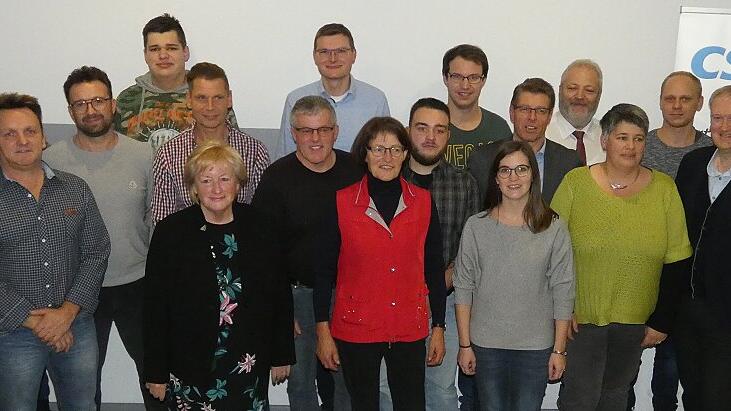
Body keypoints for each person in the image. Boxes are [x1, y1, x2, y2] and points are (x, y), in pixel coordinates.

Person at [552, 104, 692, 410]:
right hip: (580, 319)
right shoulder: (576, 183)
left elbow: (678, 261)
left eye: (639, 138)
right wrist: (562, 309)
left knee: (616, 399)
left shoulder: (664, 190)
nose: (630, 146)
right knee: (579, 398)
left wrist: (661, 321)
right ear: (604, 141)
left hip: (636, 324)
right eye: (622, 137)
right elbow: (551, 251)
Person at [44, 66, 162, 410]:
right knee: (82, 384)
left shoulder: (143, 155)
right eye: (80, 104)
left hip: (137, 284)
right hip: (78, 292)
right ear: (70, 111)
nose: (90, 110)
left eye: (98, 100)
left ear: (113, 105)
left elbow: (154, 216)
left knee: (154, 375)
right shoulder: (52, 161)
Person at [143, 141, 294, 409]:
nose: (216, 189)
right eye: (206, 180)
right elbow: (156, 308)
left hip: (248, 361)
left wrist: (281, 354)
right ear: (194, 187)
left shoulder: (263, 227)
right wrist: (156, 372)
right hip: (191, 363)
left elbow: (279, 295)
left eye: (225, 179)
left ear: (238, 184)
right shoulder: (171, 233)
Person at [314, 117, 447, 410]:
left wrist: (439, 325)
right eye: (378, 149)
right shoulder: (341, 202)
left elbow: (433, 268)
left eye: (396, 149)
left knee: (411, 404)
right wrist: (322, 330)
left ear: (405, 155)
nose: (387, 158)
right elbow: (323, 272)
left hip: (408, 326)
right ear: (365, 153)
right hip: (356, 325)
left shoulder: (423, 202)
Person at [0, 92, 111, 410]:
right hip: (12, 332)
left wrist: (66, 313)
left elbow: (96, 251)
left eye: (30, 131)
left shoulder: (75, 188)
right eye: (9, 133)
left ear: (43, 136)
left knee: (82, 405)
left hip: (76, 326)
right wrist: (39, 323)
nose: (22, 140)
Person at [252, 95, 361, 411]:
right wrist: (279, 307)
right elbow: (262, 250)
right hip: (296, 296)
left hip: (347, 294)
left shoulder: (355, 171)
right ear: (293, 133)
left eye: (324, 129)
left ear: (336, 131)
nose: (315, 139)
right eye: (306, 130)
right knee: (300, 383)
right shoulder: (276, 179)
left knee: (347, 381)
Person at [454, 140, 575, 411]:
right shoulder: (476, 227)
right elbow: (463, 288)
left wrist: (559, 350)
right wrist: (465, 345)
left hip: (535, 348)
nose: (513, 177)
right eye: (505, 170)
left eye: (521, 169)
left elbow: (563, 291)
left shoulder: (554, 228)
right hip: (486, 345)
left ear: (533, 174)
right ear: (495, 178)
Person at [379, 98, 480, 411]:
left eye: (439, 130)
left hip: (446, 302)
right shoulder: (385, 181)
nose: (430, 137)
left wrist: (435, 287)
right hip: (389, 302)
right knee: (386, 388)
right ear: (409, 131)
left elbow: (470, 250)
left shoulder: (464, 184)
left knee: (440, 390)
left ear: (448, 136)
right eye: (422, 128)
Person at [630, 70, 710, 411]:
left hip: (691, 282)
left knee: (675, 372)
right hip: (640, 276)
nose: (676, 106)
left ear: (699, 103)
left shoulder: (712, 150)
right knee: (624, 375)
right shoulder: (639, 146)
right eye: (669, 98)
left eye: (685, 98)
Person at [151, 62, 269, 224]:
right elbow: (162, 222)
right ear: (189, 100)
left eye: (218, 98)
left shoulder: (255, 152)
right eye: (202, 98)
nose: (210, 107)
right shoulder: (168, 155)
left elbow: (262, 219)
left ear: (229, 99)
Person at [674, 85, 731, 410]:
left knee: (718, 399)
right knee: (693, 395)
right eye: (718, 118)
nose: (724, 127)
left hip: (728, 317)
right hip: (689, 311)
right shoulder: (692, 164)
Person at [115, 13, 237, 151]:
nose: (163, 56)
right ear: (145, 55)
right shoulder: (126, 100)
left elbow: (234, 151)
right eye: (155, 49)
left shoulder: (210, 97)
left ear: (185, 52)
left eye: (171, 48)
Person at [278, 23, 389, 158]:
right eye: (324, 52)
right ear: (315, 57)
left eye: (341, 51)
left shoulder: (376, 100)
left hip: (360, 178)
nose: (333, 59)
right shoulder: (295, 99)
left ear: (354, 55)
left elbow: (384, 157)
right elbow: (285, 157)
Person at [468, 78, 582, 204]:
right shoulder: (482, 159)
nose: (532, 117)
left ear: (549, 117)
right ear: (512, 113)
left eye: (541, 111)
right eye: (524, 109)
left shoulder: (570, 162)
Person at [442, 44, 512, 169]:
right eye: (457, 76)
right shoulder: (429, 129)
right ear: (445, 78)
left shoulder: (499, 129)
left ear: (483, 81)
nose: (465, 85)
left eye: (473, 77)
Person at [546, 59, 606, 165]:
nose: (580, 96)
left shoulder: (609, 138)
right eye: (572, 88)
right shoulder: (542, 134)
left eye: (589, 90)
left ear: (599, 95)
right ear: (560, 91)